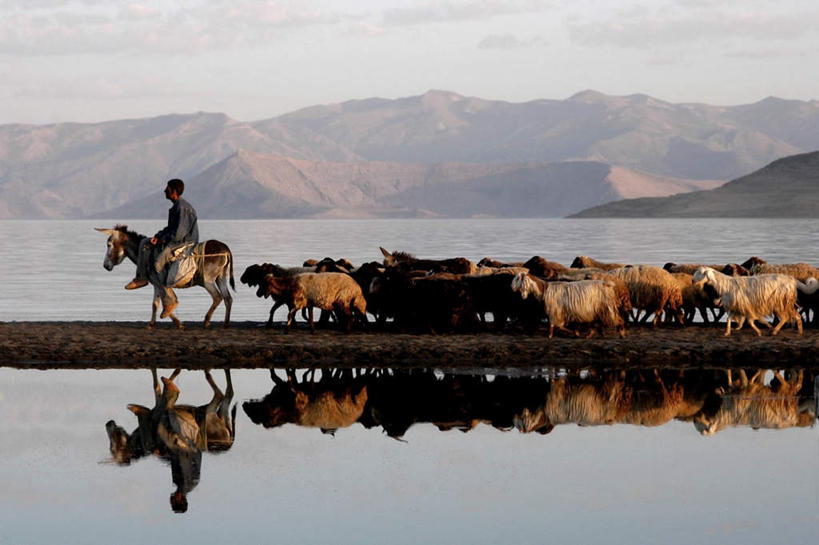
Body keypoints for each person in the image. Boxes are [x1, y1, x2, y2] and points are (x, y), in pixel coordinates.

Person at [125, 178, 199, 316]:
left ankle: (171, 300)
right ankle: (141, 278)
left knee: (157, 264)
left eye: (168, 188)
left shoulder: (182, 208)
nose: (165, 190)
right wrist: (158, 236)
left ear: (174, 191)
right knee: (144, 243)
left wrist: (162, 240)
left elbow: (178, 233)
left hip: (183, 242)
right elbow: (170, 228)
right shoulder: (176, 206)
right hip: (174, 240)